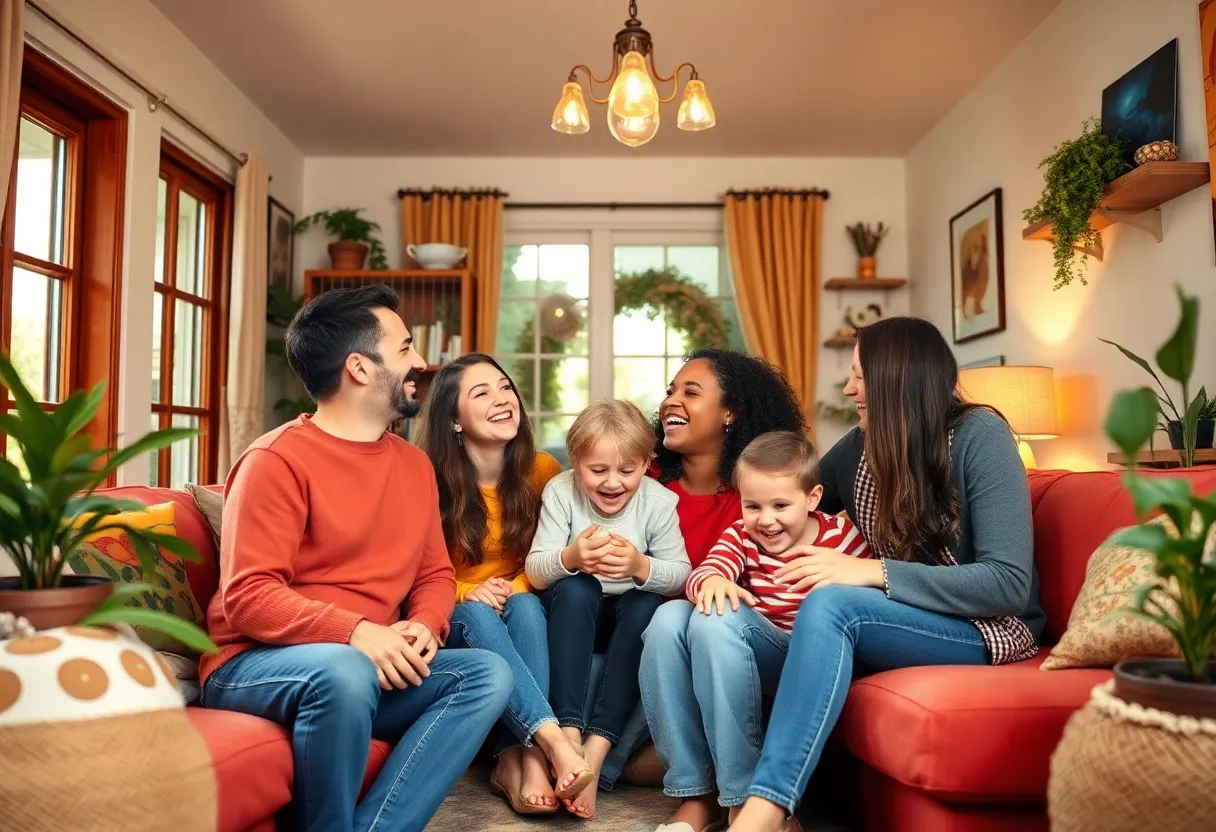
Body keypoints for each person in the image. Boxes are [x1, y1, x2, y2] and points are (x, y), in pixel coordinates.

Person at [199, 285, 512, 832]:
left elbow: (435, 573)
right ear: (360, 368)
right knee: (343, 670)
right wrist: (357, 632)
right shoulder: (275, 461)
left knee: (486, 674)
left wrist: (424, 623)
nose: (420, 362)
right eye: (406, 348)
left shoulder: (414, 466)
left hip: (363, 666)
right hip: (254, 666)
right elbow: (248, 599)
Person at [727, 317, 1044, 832]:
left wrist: (869, 570)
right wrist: (718, 565)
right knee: (723, 616)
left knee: (833, 603)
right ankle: (726, 792)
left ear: (897, 378)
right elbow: (782, 501)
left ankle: (765, 810)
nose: (849, 388)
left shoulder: (981, 436)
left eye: (858, 375)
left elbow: (1007, 583)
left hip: (984, 628)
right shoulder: (859, 447)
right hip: (899, 619)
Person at [641, 431, 870, 832]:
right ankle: (694, 795)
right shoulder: (741, 537)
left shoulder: (841, 539)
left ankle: (745, 801)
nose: (766, 520)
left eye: (781, 505)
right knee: (669, 618)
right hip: (753, 654)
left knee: (714, 619)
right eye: (752, 506)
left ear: (813, 498)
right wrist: (712, 581)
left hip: (808, 662)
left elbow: (870, 600)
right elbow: (706, 573)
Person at [616, 348, 809, 792]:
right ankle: (696, 785)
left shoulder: (764, 501)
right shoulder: (640, 490)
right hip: (656, 650)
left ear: (729, 413)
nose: (670, 401)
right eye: (669, 391)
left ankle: (716, 787)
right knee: (667, 619)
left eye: (690, 392)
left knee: (699, 618)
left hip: (736, 657)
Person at [416, 353, 593, 816]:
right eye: (482, 393)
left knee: (529, 608)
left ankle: (519, 760)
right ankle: (549, 744)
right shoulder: (426, 481)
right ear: (453, 419)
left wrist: (512, 587)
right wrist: (465, 593)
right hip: (453, 615)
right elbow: (414, 572)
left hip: (521, 602)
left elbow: (548, 558)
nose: (502, 400)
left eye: (505, 387)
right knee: (477, 612)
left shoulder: (543, 471)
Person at [526, 400, 692, 819]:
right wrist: (571, 556)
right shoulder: (560, 491)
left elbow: (680, 573)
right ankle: (567, 737)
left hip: (626, 617)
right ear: (576, 463)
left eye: (627, 470)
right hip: (571, 615)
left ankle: (595, 753)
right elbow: (536, 572)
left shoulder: (658, 502)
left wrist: (640, 567)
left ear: (646, 463)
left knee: (646, 602)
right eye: (597, 471)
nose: (613, 483)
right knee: (578, 587)